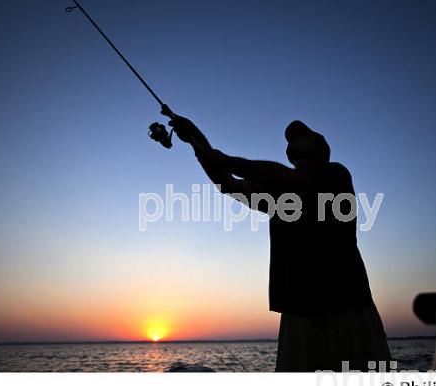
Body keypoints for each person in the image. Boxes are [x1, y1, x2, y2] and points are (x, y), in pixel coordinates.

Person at [155, 113, 392, 371]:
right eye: (294, 152)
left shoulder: (335, 175)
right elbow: (228, 184)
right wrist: (195, 140)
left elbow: (287, 179)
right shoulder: (280, 197)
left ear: (322, 151)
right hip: (297, 315)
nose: (296, 151)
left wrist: (225, 159)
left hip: (349, 309)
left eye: (304, 146)